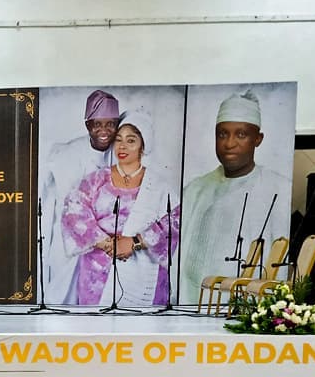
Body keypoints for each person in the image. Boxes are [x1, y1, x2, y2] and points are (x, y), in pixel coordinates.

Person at [178, 89, 291, 303]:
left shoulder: (279, 190)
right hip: (189, 306)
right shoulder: (195, 190)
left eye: (241, 134)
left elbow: (279, 267)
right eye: (222, 134)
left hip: (245, 312)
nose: (229, 143)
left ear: (257, 139)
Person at [60, 108, 179, 306]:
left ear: (143, 146)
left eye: (131, 140)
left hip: (144, 275)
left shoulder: (159, 186)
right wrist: (107, 243)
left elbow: (174, 223)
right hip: (97, 275)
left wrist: (134, 242)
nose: (122, 146)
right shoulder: (96, 180)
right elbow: (74, 213)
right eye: (119, 139)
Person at [40, 89, 121, 304]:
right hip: (69, 242)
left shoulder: (120, 153)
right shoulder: (66, 155)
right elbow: (69, 208)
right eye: (98, 124)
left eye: (110, 124)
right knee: (64, 300)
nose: (104, 131)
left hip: (106, 247)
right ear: (88, 125)